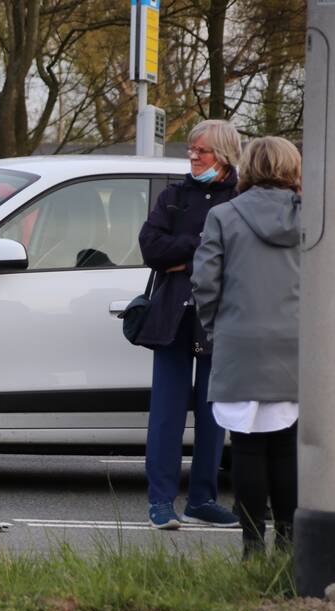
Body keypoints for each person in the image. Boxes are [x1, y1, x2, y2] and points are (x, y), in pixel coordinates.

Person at [192, 137, 301, 558]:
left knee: (248, 445)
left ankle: (252, 545)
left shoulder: (222, 215)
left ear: (249, 167)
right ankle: (291, 542)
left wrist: (215, 327)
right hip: (296, 342)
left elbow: (205, 282)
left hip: (239, 340)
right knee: (287, 445)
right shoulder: (313, 218)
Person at [137, 119, 243, 530]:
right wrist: (200, 248)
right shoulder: (174, 195)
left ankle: (202, 499)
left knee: (212, 413)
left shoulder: (239, 198)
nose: (194, 157)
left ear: (225, 154)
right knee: (166, 414)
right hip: (173, 316)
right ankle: (160, 502)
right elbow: (151, 247)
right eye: (192, 150)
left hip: (220, 317)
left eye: (203, 151)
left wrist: (185, 255)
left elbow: (239, 255)